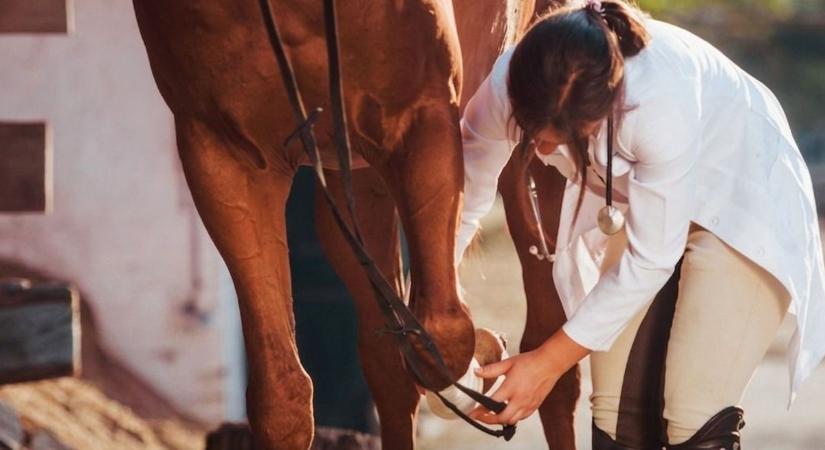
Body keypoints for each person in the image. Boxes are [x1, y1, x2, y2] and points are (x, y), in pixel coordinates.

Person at [456, 0, 825, 448]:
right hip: (652, 208)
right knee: (614, 413)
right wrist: (437, 301)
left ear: (605, 110)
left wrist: (546, 363)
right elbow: (466, 195)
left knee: (693, 415)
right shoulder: (513, 79)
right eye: (532, 129)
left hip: (744, 198)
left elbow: (651, 259)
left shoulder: (654, 101)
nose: (541, 145)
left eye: (561, 136)